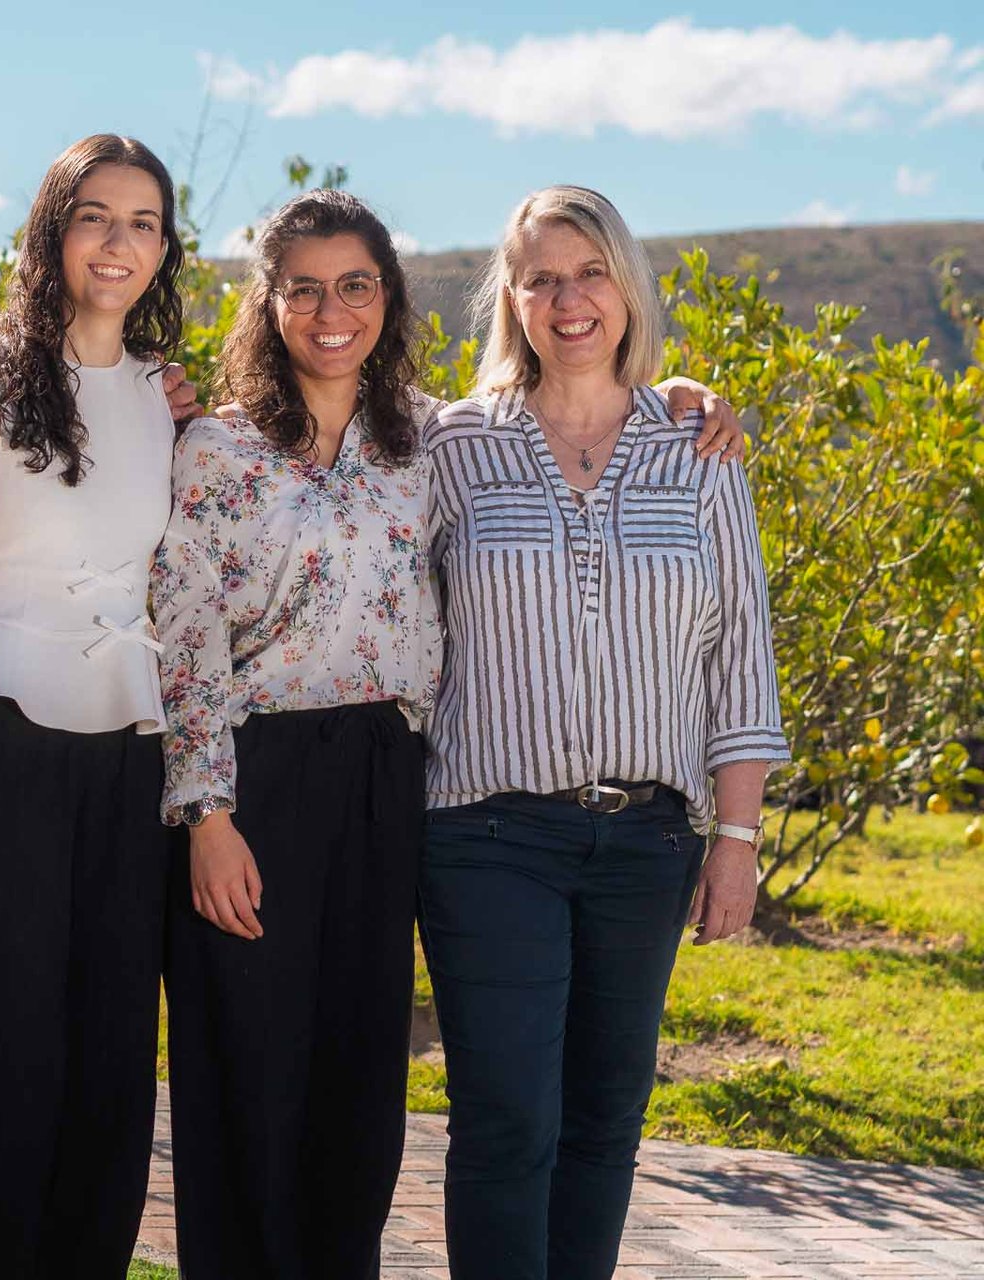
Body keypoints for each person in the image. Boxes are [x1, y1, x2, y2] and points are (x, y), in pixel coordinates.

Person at [419, 184, 787, 1279]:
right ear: (512, 298)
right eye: (541, 277)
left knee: (604, 1117)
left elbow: (740, 654)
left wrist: (737, 840)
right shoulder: (450, 446)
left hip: (648, 843)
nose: (568, 298)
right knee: (506, 1115)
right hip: (485, 835)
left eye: (590, 272)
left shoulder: (699, 449)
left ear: (625, 285)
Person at [0, 134, 186, 1279]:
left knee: (112, 1072)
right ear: (52, 229)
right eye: (97, 216)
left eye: (145, 223)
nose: (119, 244)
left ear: (167, 250)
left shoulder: (171, 396)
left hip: (130, 764)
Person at [155, 189, 436, 1279]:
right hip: (252, 780)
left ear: (387, 297)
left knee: (360, 1083)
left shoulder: (424, 442)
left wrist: (685, 394)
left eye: (355, 284)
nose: (332, 310)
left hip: (383, 778)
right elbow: (182, 637)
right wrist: (207, 815)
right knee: (245, 1076)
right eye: (305, 287)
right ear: (268, 304)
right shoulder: (215, 450)